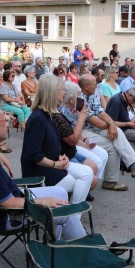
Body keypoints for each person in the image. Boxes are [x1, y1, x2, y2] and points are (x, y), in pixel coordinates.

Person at [0, 105, 87, 240]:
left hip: (4, 199)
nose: (8, 124)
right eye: (5, 121)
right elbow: (10, 204)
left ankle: (54, 247)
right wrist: (43, 201)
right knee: (66, 214)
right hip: (6, 216)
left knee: (60, 193)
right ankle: (86, 254)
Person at [60, 75, 135, 191]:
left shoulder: (91, 95)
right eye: (95, 85)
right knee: (113, 144)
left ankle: (132, 167)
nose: (97, 87)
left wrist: (111, 123)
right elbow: (97, 122)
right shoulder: (78, 101)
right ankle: (116, 178)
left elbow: (101, 112)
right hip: (83, 131)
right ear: (86, 87)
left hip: (95, 130)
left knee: (116, 132)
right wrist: (112, 124)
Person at [21, 75, 94, 204]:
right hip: (40, 172)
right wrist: (55, 164)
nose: (64, 92)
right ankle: (72, 215)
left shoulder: (48, 114)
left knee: (88, 172)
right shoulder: (39, 118)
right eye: (62, 89)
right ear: (52, 92)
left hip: (51, 163)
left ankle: (72, 215)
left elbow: (49, 146)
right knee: (85, 178)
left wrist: (62, 157)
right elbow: (33, 155)